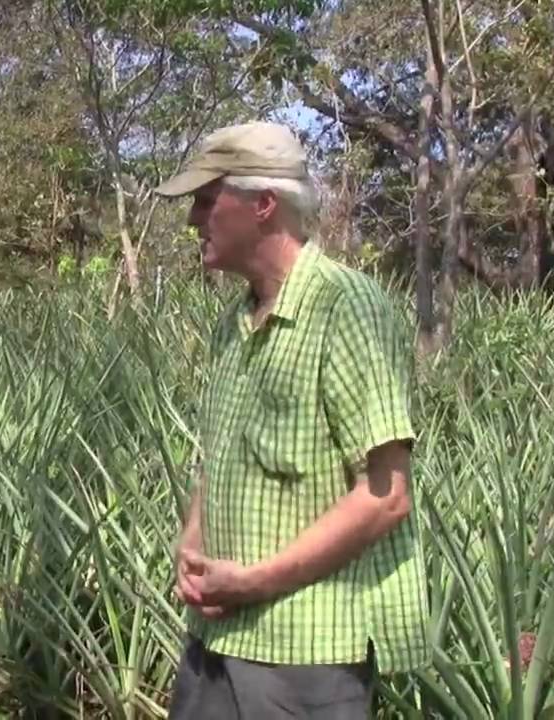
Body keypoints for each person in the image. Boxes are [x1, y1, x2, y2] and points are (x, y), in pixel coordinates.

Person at [154, 122, 428, 718]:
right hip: (217, 633)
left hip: (305, 649)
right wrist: (193, 537)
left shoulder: (344, 306)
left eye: (206, 201)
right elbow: (220, 452)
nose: (194, 219)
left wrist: (255, 582)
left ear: (263, 205)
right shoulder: (236, 319)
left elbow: (385, 495)